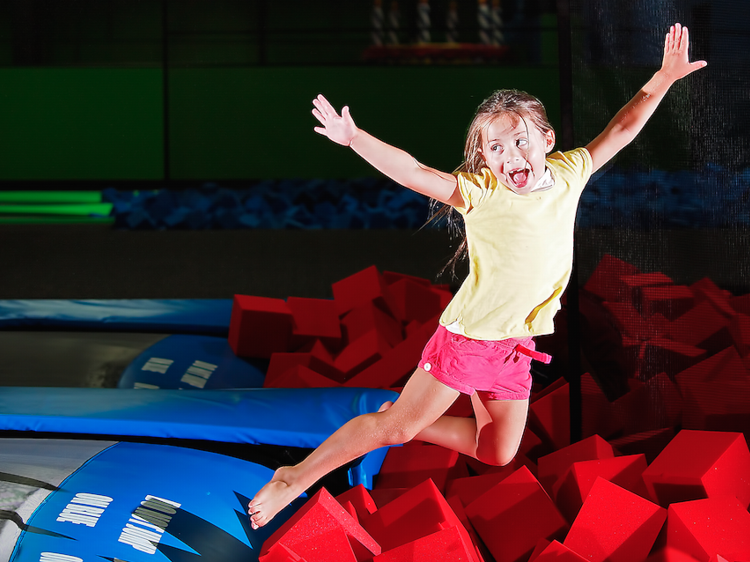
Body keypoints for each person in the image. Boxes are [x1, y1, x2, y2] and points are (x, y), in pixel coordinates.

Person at [248, 23, 706, 530]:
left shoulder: (570, 172)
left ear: (546, 139)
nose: (511, 156)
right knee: (394, 430)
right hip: (469, 341)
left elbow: (622, 127)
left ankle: (406, 419)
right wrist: (355, 138)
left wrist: (664, 77)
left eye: (519, 140)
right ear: (484, 159)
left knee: (497, 452)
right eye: (496, 148)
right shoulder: (482, 193)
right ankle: (296, 475)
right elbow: (415, 172)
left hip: (516, 346)